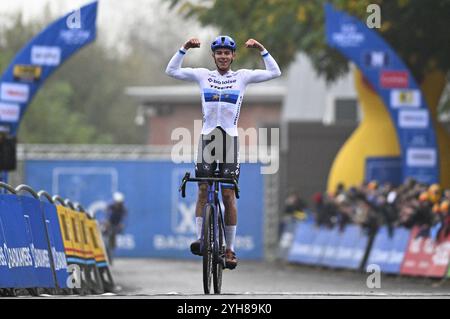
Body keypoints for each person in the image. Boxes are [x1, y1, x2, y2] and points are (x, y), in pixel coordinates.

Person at [166, 35, 281, 269]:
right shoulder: (202, 75)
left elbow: (275, 72)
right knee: (202, 189)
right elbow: (171, 70)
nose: (223, 57)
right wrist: (184, 48)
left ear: (233, 56)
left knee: (228, 195)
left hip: (229, 139)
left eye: (227, 53)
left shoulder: (242, 77)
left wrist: (261, 48)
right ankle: (201, 238)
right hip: (208, 138)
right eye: (219, 53)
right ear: (213, 56)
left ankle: (229, 249)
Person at [103, 192, 128, 264]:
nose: (118, 204)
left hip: (115, 227)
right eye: (117, 202)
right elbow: (106, 215)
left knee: (112, 244)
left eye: (120, 203)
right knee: (105, 242)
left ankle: (110, 258)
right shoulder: (110, 207)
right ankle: (105, 256)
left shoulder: (123, 209)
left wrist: (122, 224)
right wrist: (106, 222)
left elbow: (124, 219)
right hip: (108, 226)